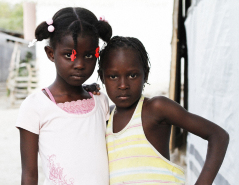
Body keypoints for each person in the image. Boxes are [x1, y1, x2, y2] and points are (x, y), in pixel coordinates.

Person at [98, 36, 229, 185]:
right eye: (113, 76)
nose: (123, 85)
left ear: (145, 74)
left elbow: (218, 135)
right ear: (102, 77)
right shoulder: (105, 117)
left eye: (132, 75)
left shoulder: (156, 108)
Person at [16, 7, 112, 185]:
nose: (80, 65)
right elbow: (29, 175)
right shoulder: (35, 106)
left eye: (89, 55)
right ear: (51, 54)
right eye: (69, 55)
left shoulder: (100, 101)